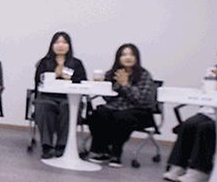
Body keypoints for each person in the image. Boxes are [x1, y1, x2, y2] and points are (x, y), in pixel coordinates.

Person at [164, 34, 217, 182]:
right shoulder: (213, 70)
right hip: (210, 111)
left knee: (207, 129)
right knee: (188, 125)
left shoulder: (216, 75)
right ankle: (178, 166)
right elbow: (207, 88)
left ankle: (200, 171)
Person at [87, 43, 157, 167]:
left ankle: (116, 152)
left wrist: (125, 85)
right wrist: (106, 85)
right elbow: (108, 98)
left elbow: (142, 100)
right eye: (124, 55)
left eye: (131, 54)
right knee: (98, 113)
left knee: (122, 117)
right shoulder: (112, 73)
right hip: (114, 108)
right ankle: (100, 150)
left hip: (138, 111)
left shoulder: (144, 75)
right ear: (118, 58)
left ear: (136, 57)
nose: (128, 57)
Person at [31, 31, 88, 159]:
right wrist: (55, 75)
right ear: (52, 45)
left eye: (64, 42)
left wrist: (70, 80)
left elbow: (83, 82)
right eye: (57, 42)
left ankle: (62, 145)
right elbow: (38, 82)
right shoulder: (44, 62)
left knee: (67, 107)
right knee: (44, 106)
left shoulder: (76, 63)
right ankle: (47, 145)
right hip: (47, 97)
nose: (60, 45)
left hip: (69, 98)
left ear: (69, 45)